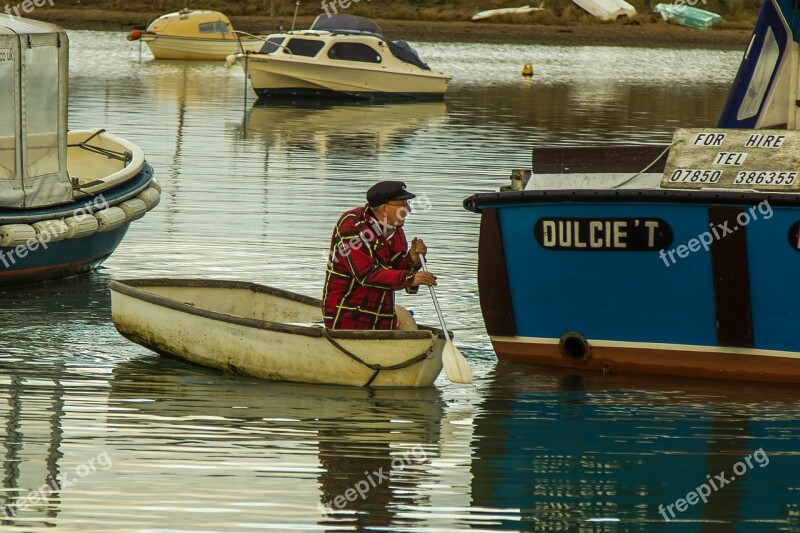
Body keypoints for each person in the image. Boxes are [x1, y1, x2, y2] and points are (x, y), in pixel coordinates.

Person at [322, 181, 437, 330]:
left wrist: (412, 261)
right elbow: (366, 275)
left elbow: (394, 270)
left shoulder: (396, 230)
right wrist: (410, 277)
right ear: (384, 209)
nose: (408, 209)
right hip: (347, 318)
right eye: (403, 204)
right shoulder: (352, 226)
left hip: (382, 319)